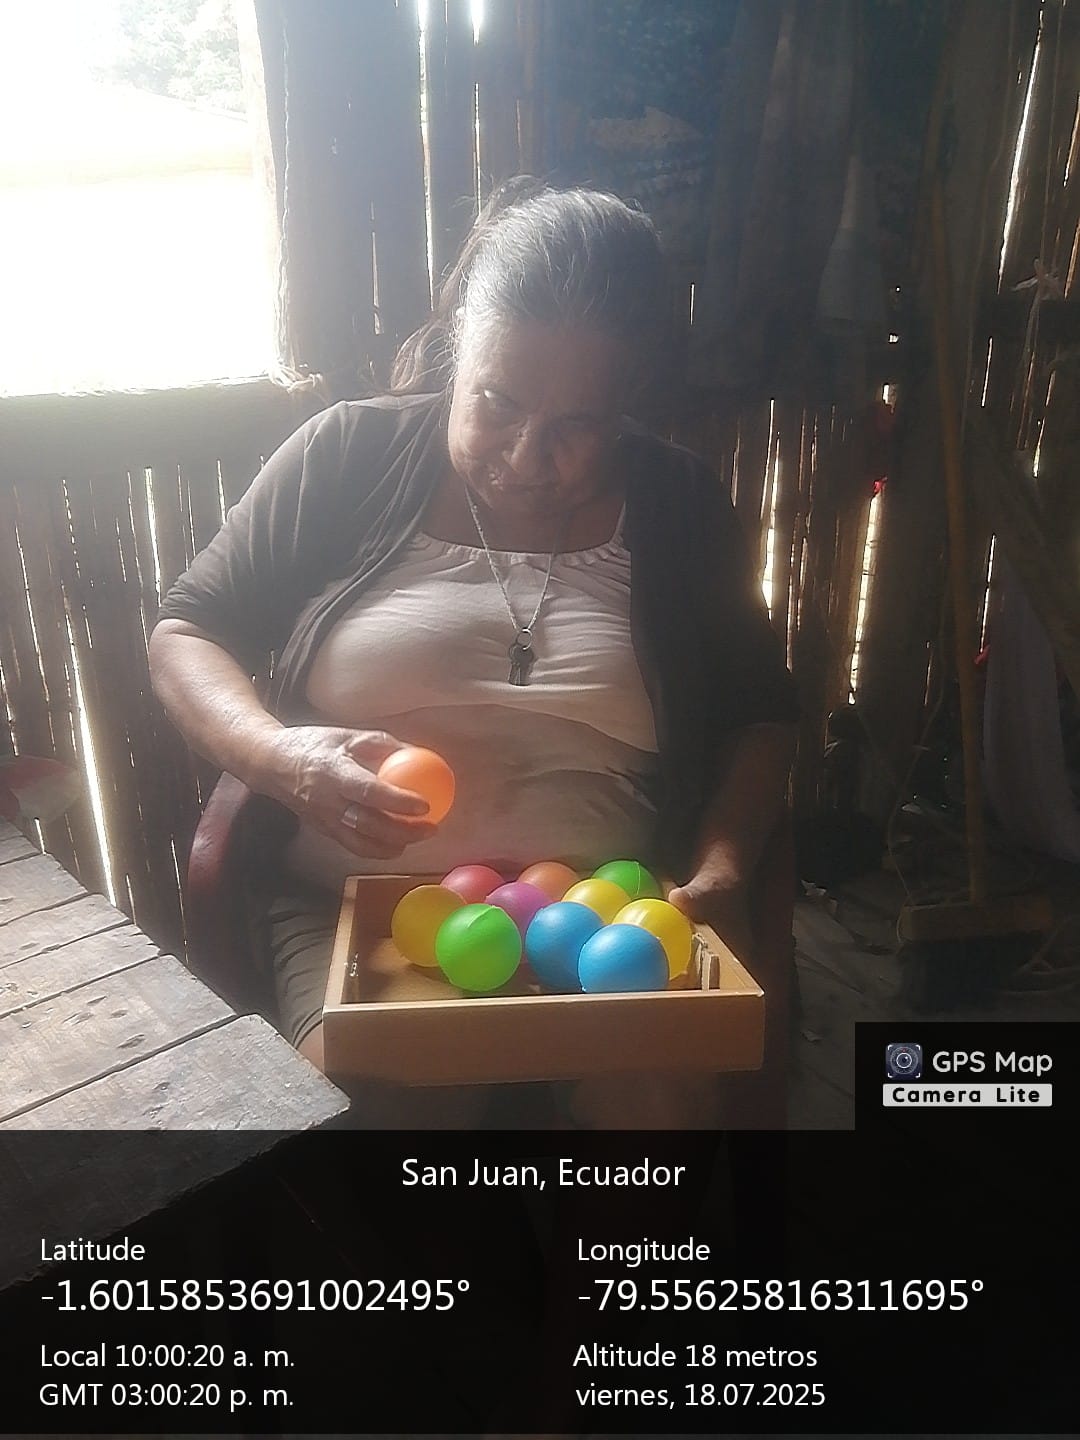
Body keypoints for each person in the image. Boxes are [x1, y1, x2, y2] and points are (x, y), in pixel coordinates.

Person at [149, 178, 799, 1124]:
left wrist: (726, 862)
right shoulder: (347, 456)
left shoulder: (681, 507)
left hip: (606, 919)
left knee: (654, 1107)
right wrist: (279, 758)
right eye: (496, 402)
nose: (527, 457)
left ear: (627, 403)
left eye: (577, 426)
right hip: (356, 918)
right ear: (460, 344)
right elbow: (187, 630)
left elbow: (760, 716)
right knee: (392, 1115)